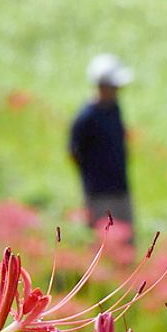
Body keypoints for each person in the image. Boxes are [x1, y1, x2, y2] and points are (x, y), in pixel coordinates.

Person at [69, 53, 135, 242]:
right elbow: (74, 152)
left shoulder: (114, 108)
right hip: (99, 193)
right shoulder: (86, 118)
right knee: (104, 243)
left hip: (120, 188)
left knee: (126, 242)